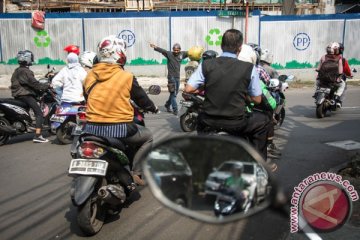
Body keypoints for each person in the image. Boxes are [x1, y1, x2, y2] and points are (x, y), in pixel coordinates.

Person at [185, 29, 273, 168]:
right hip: (236, 123)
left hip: (208, 121)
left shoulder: (206, 65)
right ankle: (260, 164)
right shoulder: (249, 68)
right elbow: (257, 100)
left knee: (200, 124)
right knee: (263, 121)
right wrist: (246, 96)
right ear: (239, 48)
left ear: (221, 45)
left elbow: (188, 89)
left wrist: (205, 88)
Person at [84, 35, 158, 186]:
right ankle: (136, 172)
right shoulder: (126, 76)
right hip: (120, 128)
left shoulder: (90, 75)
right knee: (148, 136)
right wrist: (153, 108)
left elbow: (88, 97)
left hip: (91, 128)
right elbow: (142, 99)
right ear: (120, 54)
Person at [238, 44, 280, 165]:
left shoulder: (218, 69)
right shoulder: (253, 73)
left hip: (213, 118)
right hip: (239, 118)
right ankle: (261, 164)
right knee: (263, 122)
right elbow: (270, 102)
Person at [10, 50, 50, 143]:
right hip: (25, 95)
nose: (32, 59)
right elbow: (34, 84)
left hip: (18, 95)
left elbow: (28, 84)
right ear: (27, 59)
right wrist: (47, 85)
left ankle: (30, 125)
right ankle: (38, 135)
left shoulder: (17, 70)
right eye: (31, 58)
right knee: (39, 113)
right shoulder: (26, 71)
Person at [150, 42, 188, 115]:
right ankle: (175, 109)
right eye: (174, 50)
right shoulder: (169, 54)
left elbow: (191, 53)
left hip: (178, 77)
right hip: (171, 77)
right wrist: (155, 47)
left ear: (180, 50)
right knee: (173, 94)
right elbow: (162, 50)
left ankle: (167, 105)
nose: (176, 51)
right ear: (172, 50)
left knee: (175, 93)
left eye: (177, 50)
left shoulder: (182, 54)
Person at [315, 42, 346, 108]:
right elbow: (340, 71)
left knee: (317, 82)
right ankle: (337, 96)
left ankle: (316, 94)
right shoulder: (339, 58)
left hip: (322, 80)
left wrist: (318, 76)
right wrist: (339, 78)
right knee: (343, 84)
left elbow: (318, 69)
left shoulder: (323, 57)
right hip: (333, 81)